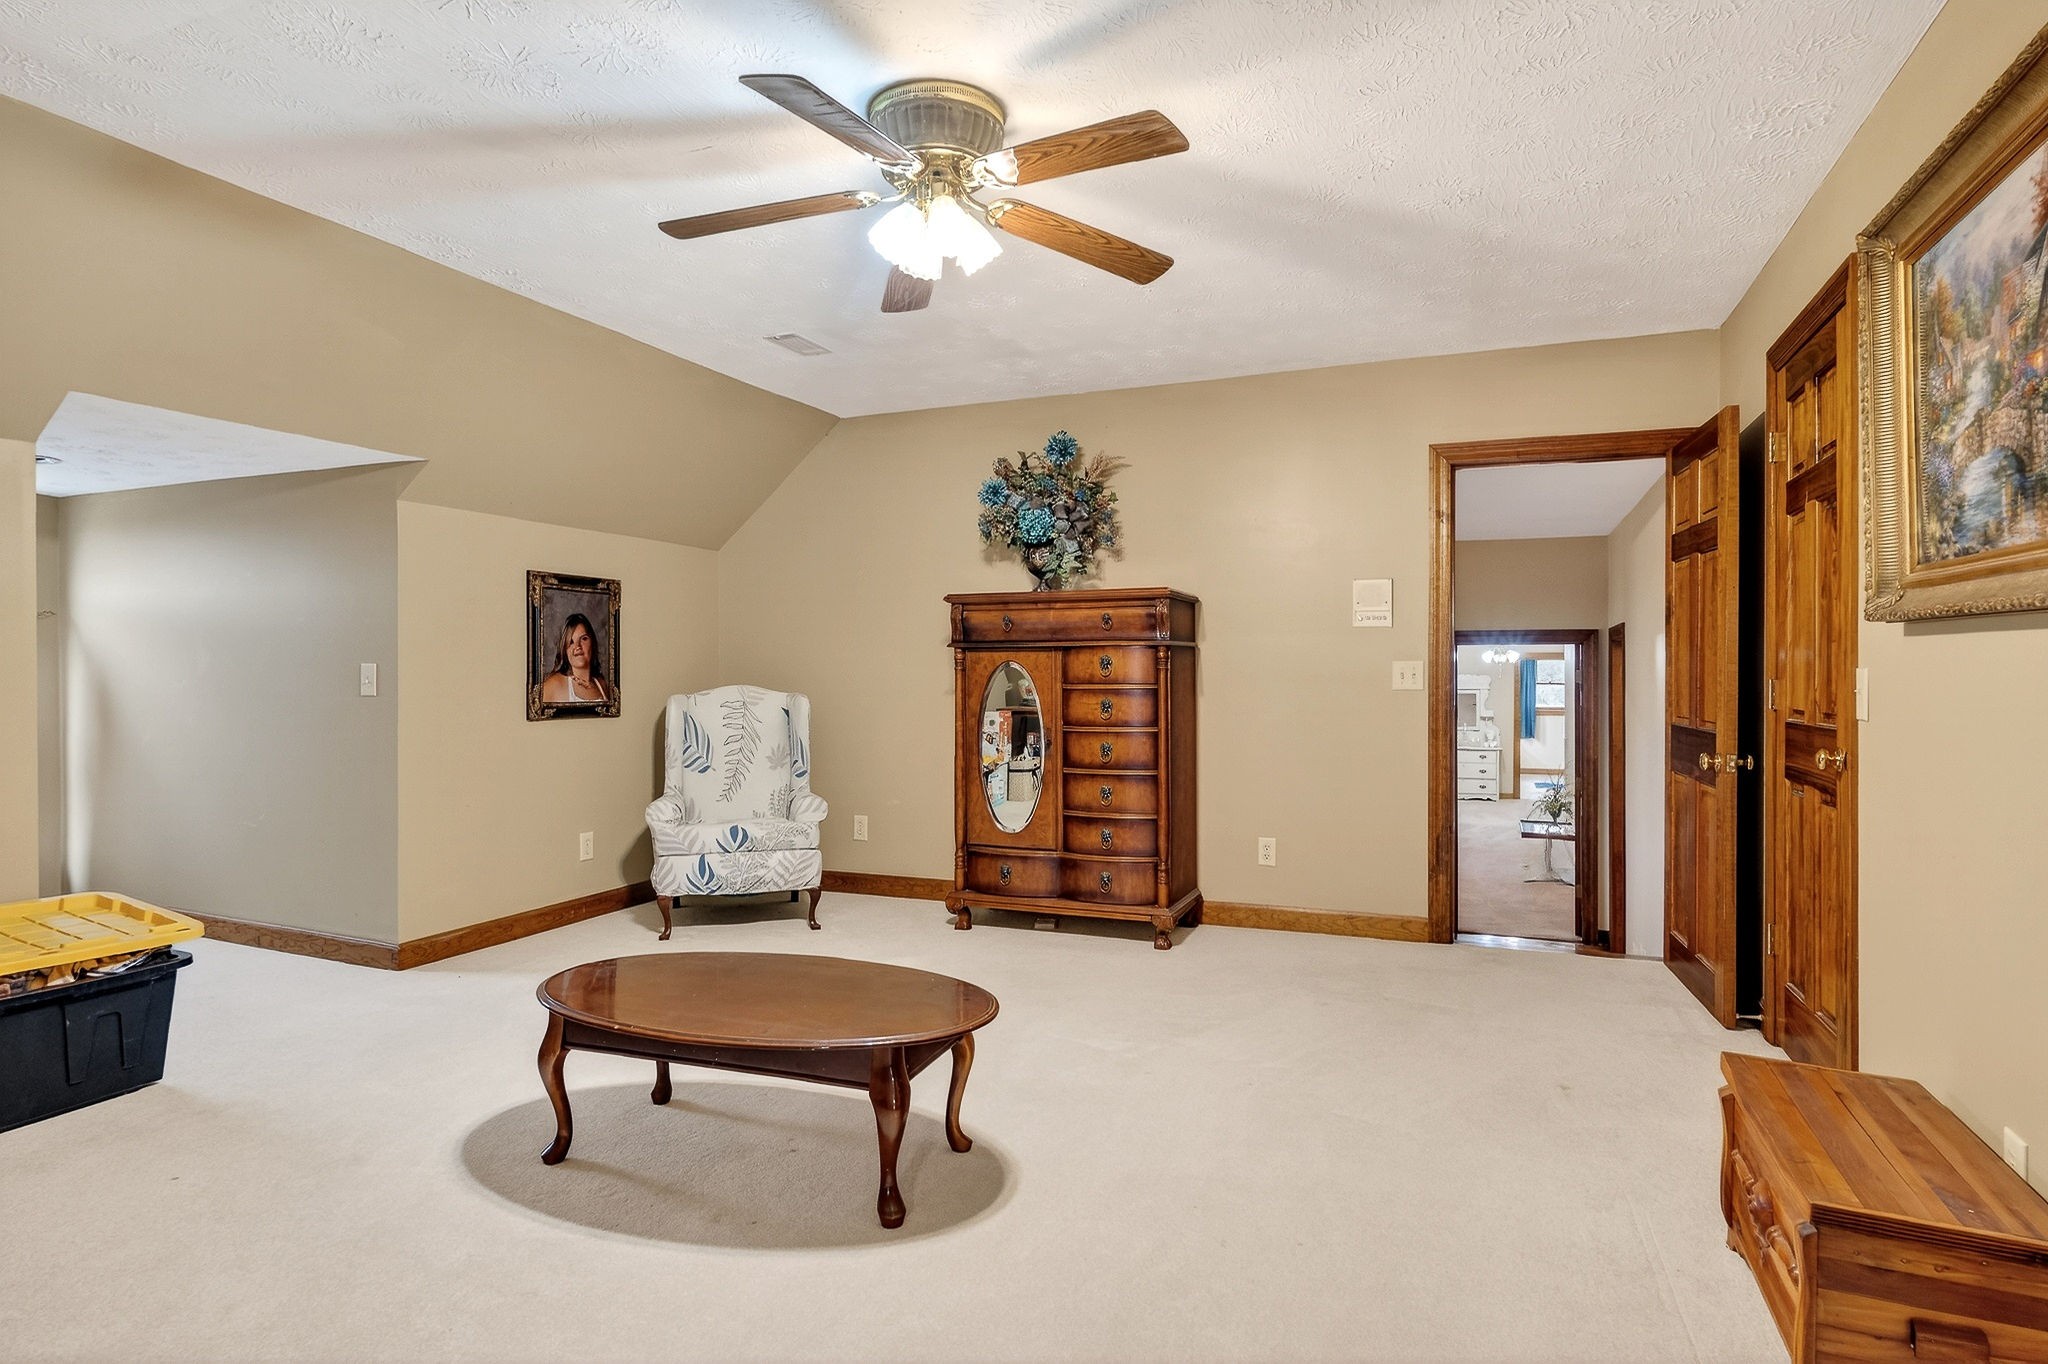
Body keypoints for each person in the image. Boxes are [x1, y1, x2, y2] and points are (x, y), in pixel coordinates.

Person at [540, 612, 611, 704]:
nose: (577, 646)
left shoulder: (602, 684)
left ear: (592, 644)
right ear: (565, 650)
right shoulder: (553, 685)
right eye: (571, 642)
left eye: (584, 639)